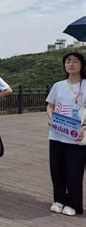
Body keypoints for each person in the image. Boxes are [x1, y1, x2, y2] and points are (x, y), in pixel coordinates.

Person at [46, 51, 85, 217]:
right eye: (68, 61)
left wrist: (84, 126)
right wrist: (51, 118)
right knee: (57, 169)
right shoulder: (58, 85)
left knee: (74, 171)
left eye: (75, 61)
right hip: (57, 134)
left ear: (82, 65)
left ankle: (74, 203)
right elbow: (50, 106)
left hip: (78, 135)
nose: (71, 64)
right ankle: (59, 200)